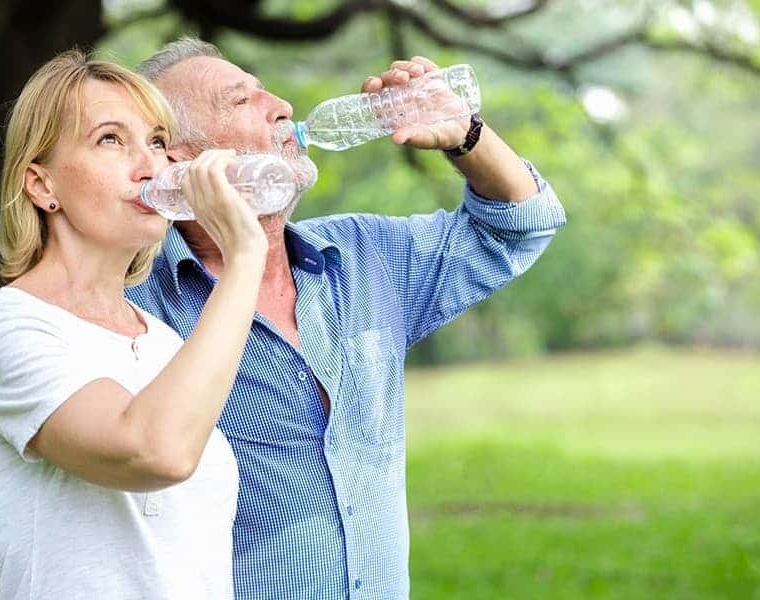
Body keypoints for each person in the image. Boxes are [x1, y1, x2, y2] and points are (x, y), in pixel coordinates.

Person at [129, 38, 567, 599]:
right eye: (241, 102)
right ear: (178, 160)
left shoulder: (365, 255)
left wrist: (467, 136)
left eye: (267, 90)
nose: (281, 105)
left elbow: (522, 224)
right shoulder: (141, 309)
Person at [0, 50, 268, 599]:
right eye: (111, 140)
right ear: (41, 186)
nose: (150, 167)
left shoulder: (162, 341)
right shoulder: (1, 330)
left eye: (158, 141)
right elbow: (154, 451)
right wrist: (243, 258)